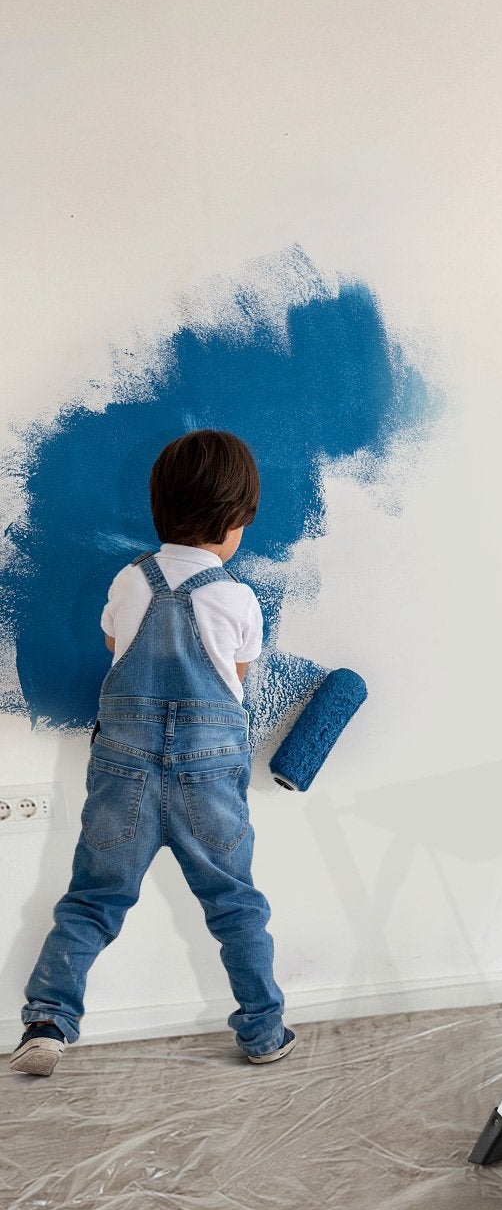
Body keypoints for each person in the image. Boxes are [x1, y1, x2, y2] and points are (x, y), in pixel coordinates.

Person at [11, 429, 295, 1076]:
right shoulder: (237, 598)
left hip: (124, 771)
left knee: (92, 900)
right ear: (233, 522)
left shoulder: (129, 582)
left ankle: (48, 1019)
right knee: (235, 906)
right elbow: (236, 680)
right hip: (208, 777)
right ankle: (262, 1032)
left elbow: (118, 655)